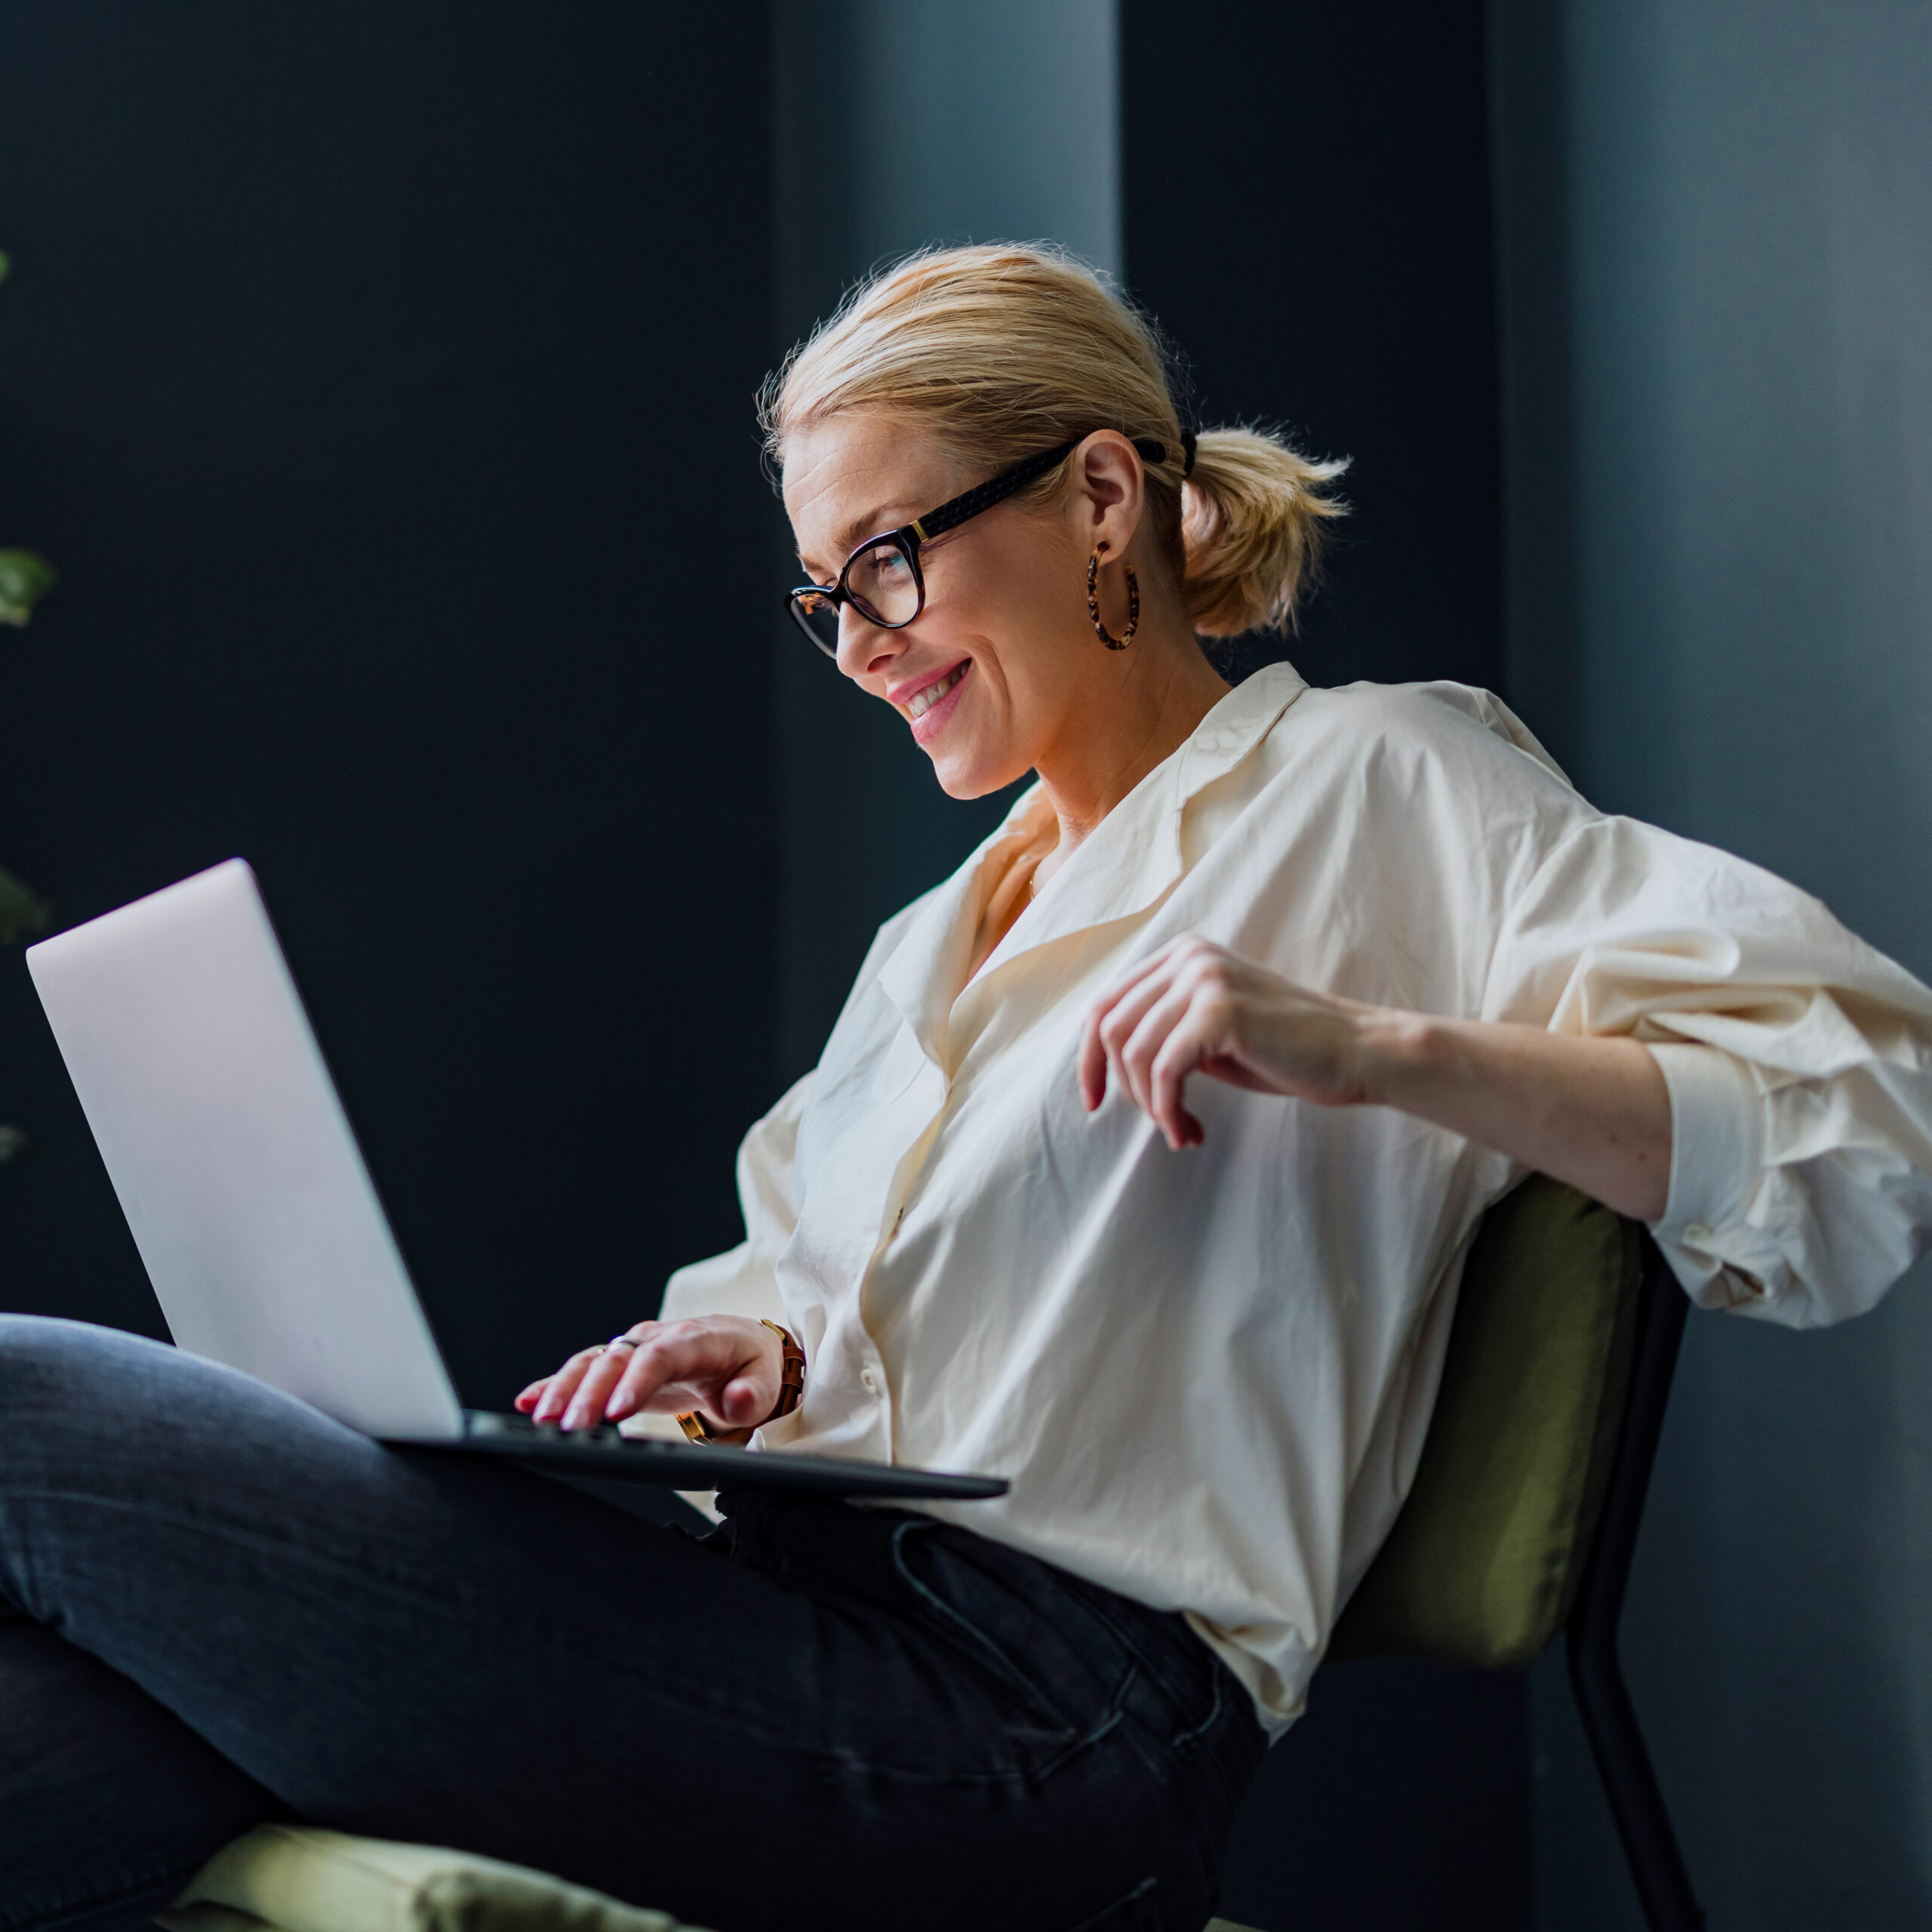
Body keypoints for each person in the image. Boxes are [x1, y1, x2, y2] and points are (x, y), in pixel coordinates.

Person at [4, 244, 1930, 1932]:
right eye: (818, 595)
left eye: (889, 560)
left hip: (1031, 1738)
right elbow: (803, 1287)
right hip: (780, 1617)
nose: (859, 644)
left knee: (23, 1396)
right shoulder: (935, 940)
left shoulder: (1385, 787)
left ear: (1102, 495)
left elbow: (1858, 1116)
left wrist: (1375, 1051)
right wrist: (749, 1352)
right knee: (58, 1739)